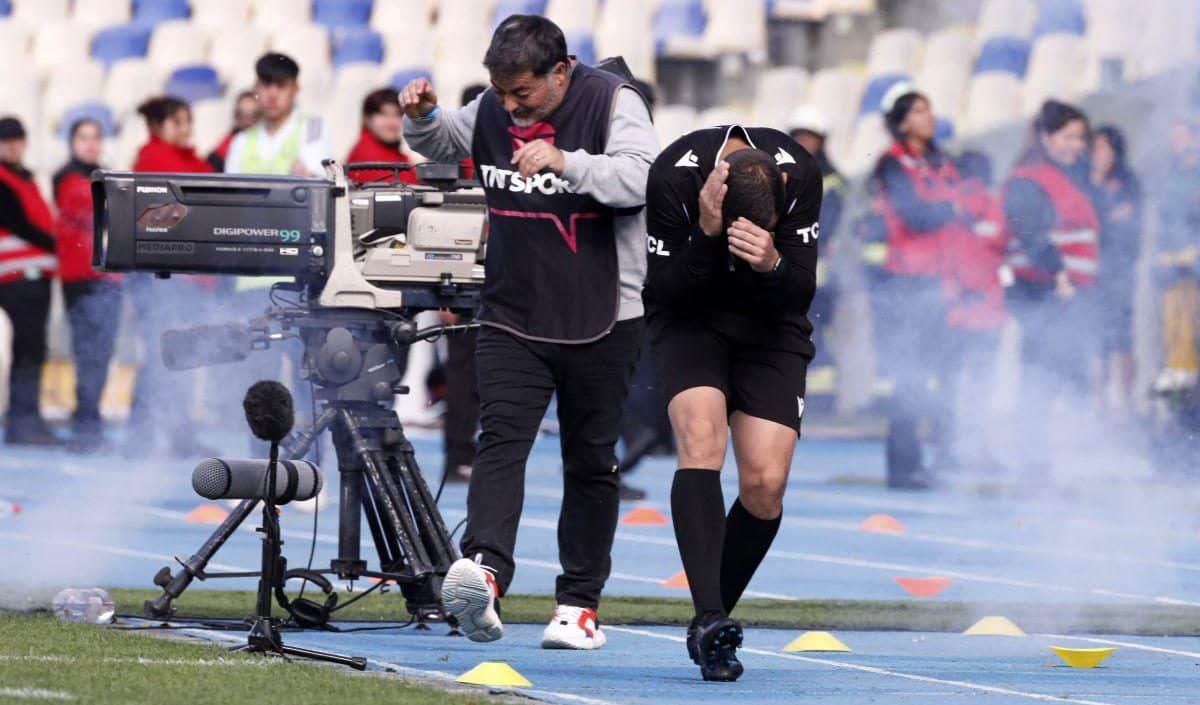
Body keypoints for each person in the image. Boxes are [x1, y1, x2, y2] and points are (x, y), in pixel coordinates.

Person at [401, 14, 657, 650]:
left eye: (524, 94)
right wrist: (424, 117)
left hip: (605, 313)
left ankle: (578, 606)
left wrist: (568, 161)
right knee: (500, 442)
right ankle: (484, 574)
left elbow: (641, 178)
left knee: (591, 460)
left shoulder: (614, 101)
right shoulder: (492, 104)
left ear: (561, 71)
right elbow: (440, 143)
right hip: (514, 311)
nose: (511, 108)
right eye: (501, 92)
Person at [642, 125, 820, 680]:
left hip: (770, 328)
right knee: (701, 437)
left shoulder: (801, 174)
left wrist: (772, 263)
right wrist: (707, 233)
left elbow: (802, 291)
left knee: (765, 485)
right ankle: (713, 620)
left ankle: (708, 621)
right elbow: (664, 293)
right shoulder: (673, 175)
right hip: (691, 322)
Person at [868, 84, 963, 489]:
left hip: (939, 282)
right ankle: (904, 466)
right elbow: (916, 215)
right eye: (921, 110)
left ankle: (937, 458)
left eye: (930, 109)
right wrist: (951, 208)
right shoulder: (892, 165)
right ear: (903, 121)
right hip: (905, 283)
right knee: (909, 376)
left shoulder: (939, 162)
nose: (930, 116)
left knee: (939, 376)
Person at [1002, 100, 1099, 478]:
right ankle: (1035, 462)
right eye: (1069, 136)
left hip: (1067, 291)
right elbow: (1030, 231)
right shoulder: (1029, 178)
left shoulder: (1068, 177)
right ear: (1046, 137)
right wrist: (1059, 274)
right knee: (1044, 373)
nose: (1078, 144)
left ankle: (1054, 459)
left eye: (1081, 137)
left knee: (1066, 372)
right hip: (1042, 290)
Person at [129, 97, 217, 457]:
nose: (185, 128)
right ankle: (143, 434)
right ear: (157, 126)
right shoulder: (152, 160)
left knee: (180, 356)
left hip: (190, 279)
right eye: (177, 122)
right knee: (158, 356)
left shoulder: (191, 162)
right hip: (162, 277)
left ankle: (176, 432)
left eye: (188, 121)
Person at [54, 118, 123, 451]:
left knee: (102, 353)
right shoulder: (66, 178)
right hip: (81, 278)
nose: (91, 144)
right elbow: (88, 207)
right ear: (72, 142)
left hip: (107, 278)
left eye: (96, 137)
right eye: (84, 137)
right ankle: (84, 424)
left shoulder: (104, 178)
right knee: (87, 354)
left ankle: (89, 421)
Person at [940, 150, 1009, 472]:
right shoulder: (994, 206)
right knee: (981, 386)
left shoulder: (947, 205)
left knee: (951, 385)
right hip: (988, 311)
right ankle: (978, 451)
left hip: (955, 310)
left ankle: (948, 449)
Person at [0, 116, 59, 446]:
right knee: (28, 349)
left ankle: (25, 420)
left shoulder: (24, 178)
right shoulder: (5, 179)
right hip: (18, 275)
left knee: (31, 348)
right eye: (5, 139)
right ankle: (24, 423)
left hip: (32, 274)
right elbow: (19, 224)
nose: (11, 144)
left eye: (16, 138)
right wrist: (58, 245)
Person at [788, 106, 845, 370]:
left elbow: (829, 226)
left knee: (818, 330)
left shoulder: (832, 180)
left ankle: (822, 395)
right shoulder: (781, 176)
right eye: (799, 136)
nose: (804, 143)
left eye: (810, 137)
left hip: (819, 274)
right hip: (786, 271)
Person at [1090, 125, 1142, 410]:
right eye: (1094, 148)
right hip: (1092, 272)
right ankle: (1098, 404)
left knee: (1122, 338)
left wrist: (1104, 220)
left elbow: (1127, 221)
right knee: (1097, 342)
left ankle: (1126, 402)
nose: (1098, 154)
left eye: (1103, 147)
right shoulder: (1085, 181)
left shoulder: (1127, 182)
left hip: (1120, 271)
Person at [1152, 119, 1200, 393]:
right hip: (1175, 273)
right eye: (1173, 139)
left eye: (1181, 138)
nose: (1175, 144)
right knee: (1177, 346)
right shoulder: (1170, 179)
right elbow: (1164, 227)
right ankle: (1180, 413)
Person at [345, 88, 419, 184]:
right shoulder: (366, 157)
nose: (392, 122)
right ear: (368, 119)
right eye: (384, 114)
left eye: (398, 114)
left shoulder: (397, 156)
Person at [207, 90, 260, 172]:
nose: (247, 122)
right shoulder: (225, 146)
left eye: (253, 115)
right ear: (235, 115)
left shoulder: (269, 141)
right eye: (242, 115)